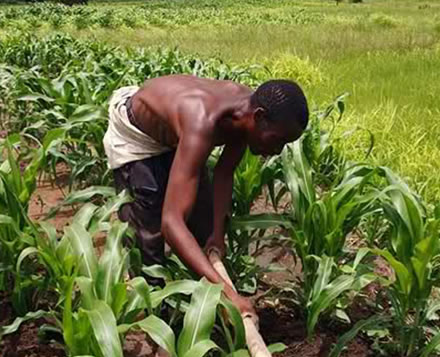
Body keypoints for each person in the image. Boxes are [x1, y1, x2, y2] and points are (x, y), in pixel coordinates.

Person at [103, 75, 309, 318]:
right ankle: (154, 322)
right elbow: (172, 223)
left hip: (176, 134)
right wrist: (228, 294)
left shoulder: (245, 114)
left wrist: (217, 233)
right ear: (259, 117)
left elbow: (224, 172)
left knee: (203, 223)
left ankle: (205, 305)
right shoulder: (203, 120)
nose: (277, 150)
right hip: (137, 136)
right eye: (277, 140)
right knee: (149, 239)